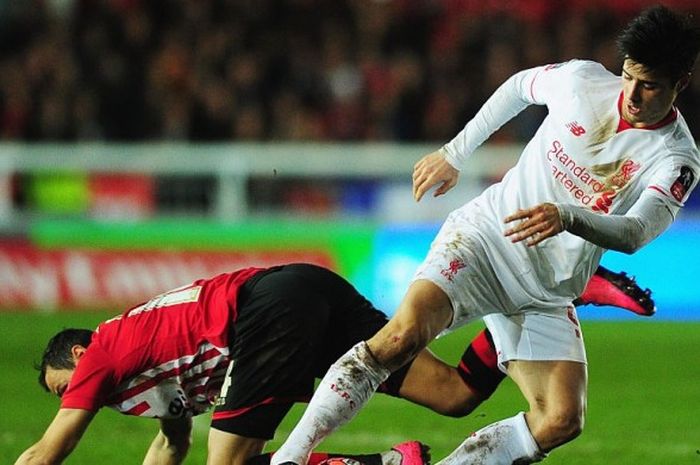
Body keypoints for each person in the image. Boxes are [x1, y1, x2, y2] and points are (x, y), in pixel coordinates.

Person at [269, 6, 700, 465]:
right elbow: (518, 88)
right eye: (629, 75)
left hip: (546, 292)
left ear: (681, 84)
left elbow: (634, 233)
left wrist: (568, 217)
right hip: (485, 240)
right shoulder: (582, 82)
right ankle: (288, 460)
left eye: (649, 84)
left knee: (561, 418)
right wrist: (455, 152)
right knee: (401, 337)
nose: (631, 93)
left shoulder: (676, 158)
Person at [14, 260, 653, 465]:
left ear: (75, 354)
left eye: (63, 386)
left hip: (260, 316)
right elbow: (171, 441)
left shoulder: (100, 351)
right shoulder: (140, 370)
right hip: (301, 290)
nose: (73, 394)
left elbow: (48, 452)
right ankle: (546, 291)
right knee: (456, 393)